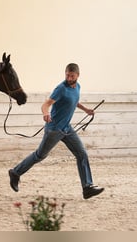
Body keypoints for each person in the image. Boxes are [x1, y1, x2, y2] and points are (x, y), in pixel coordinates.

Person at [8, 63, 104, 199]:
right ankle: (15, 172)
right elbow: (46, 104)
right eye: (67, 75)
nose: (69, 78)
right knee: (40, 155)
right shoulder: (60, 89)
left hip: (66, 128)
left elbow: (74, 101)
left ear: (78, 75)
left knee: (81, 153)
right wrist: (45, 113)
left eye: (72, 76)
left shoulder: (78, 87)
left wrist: (86, 110)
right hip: (54, 129)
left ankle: (87, 187)